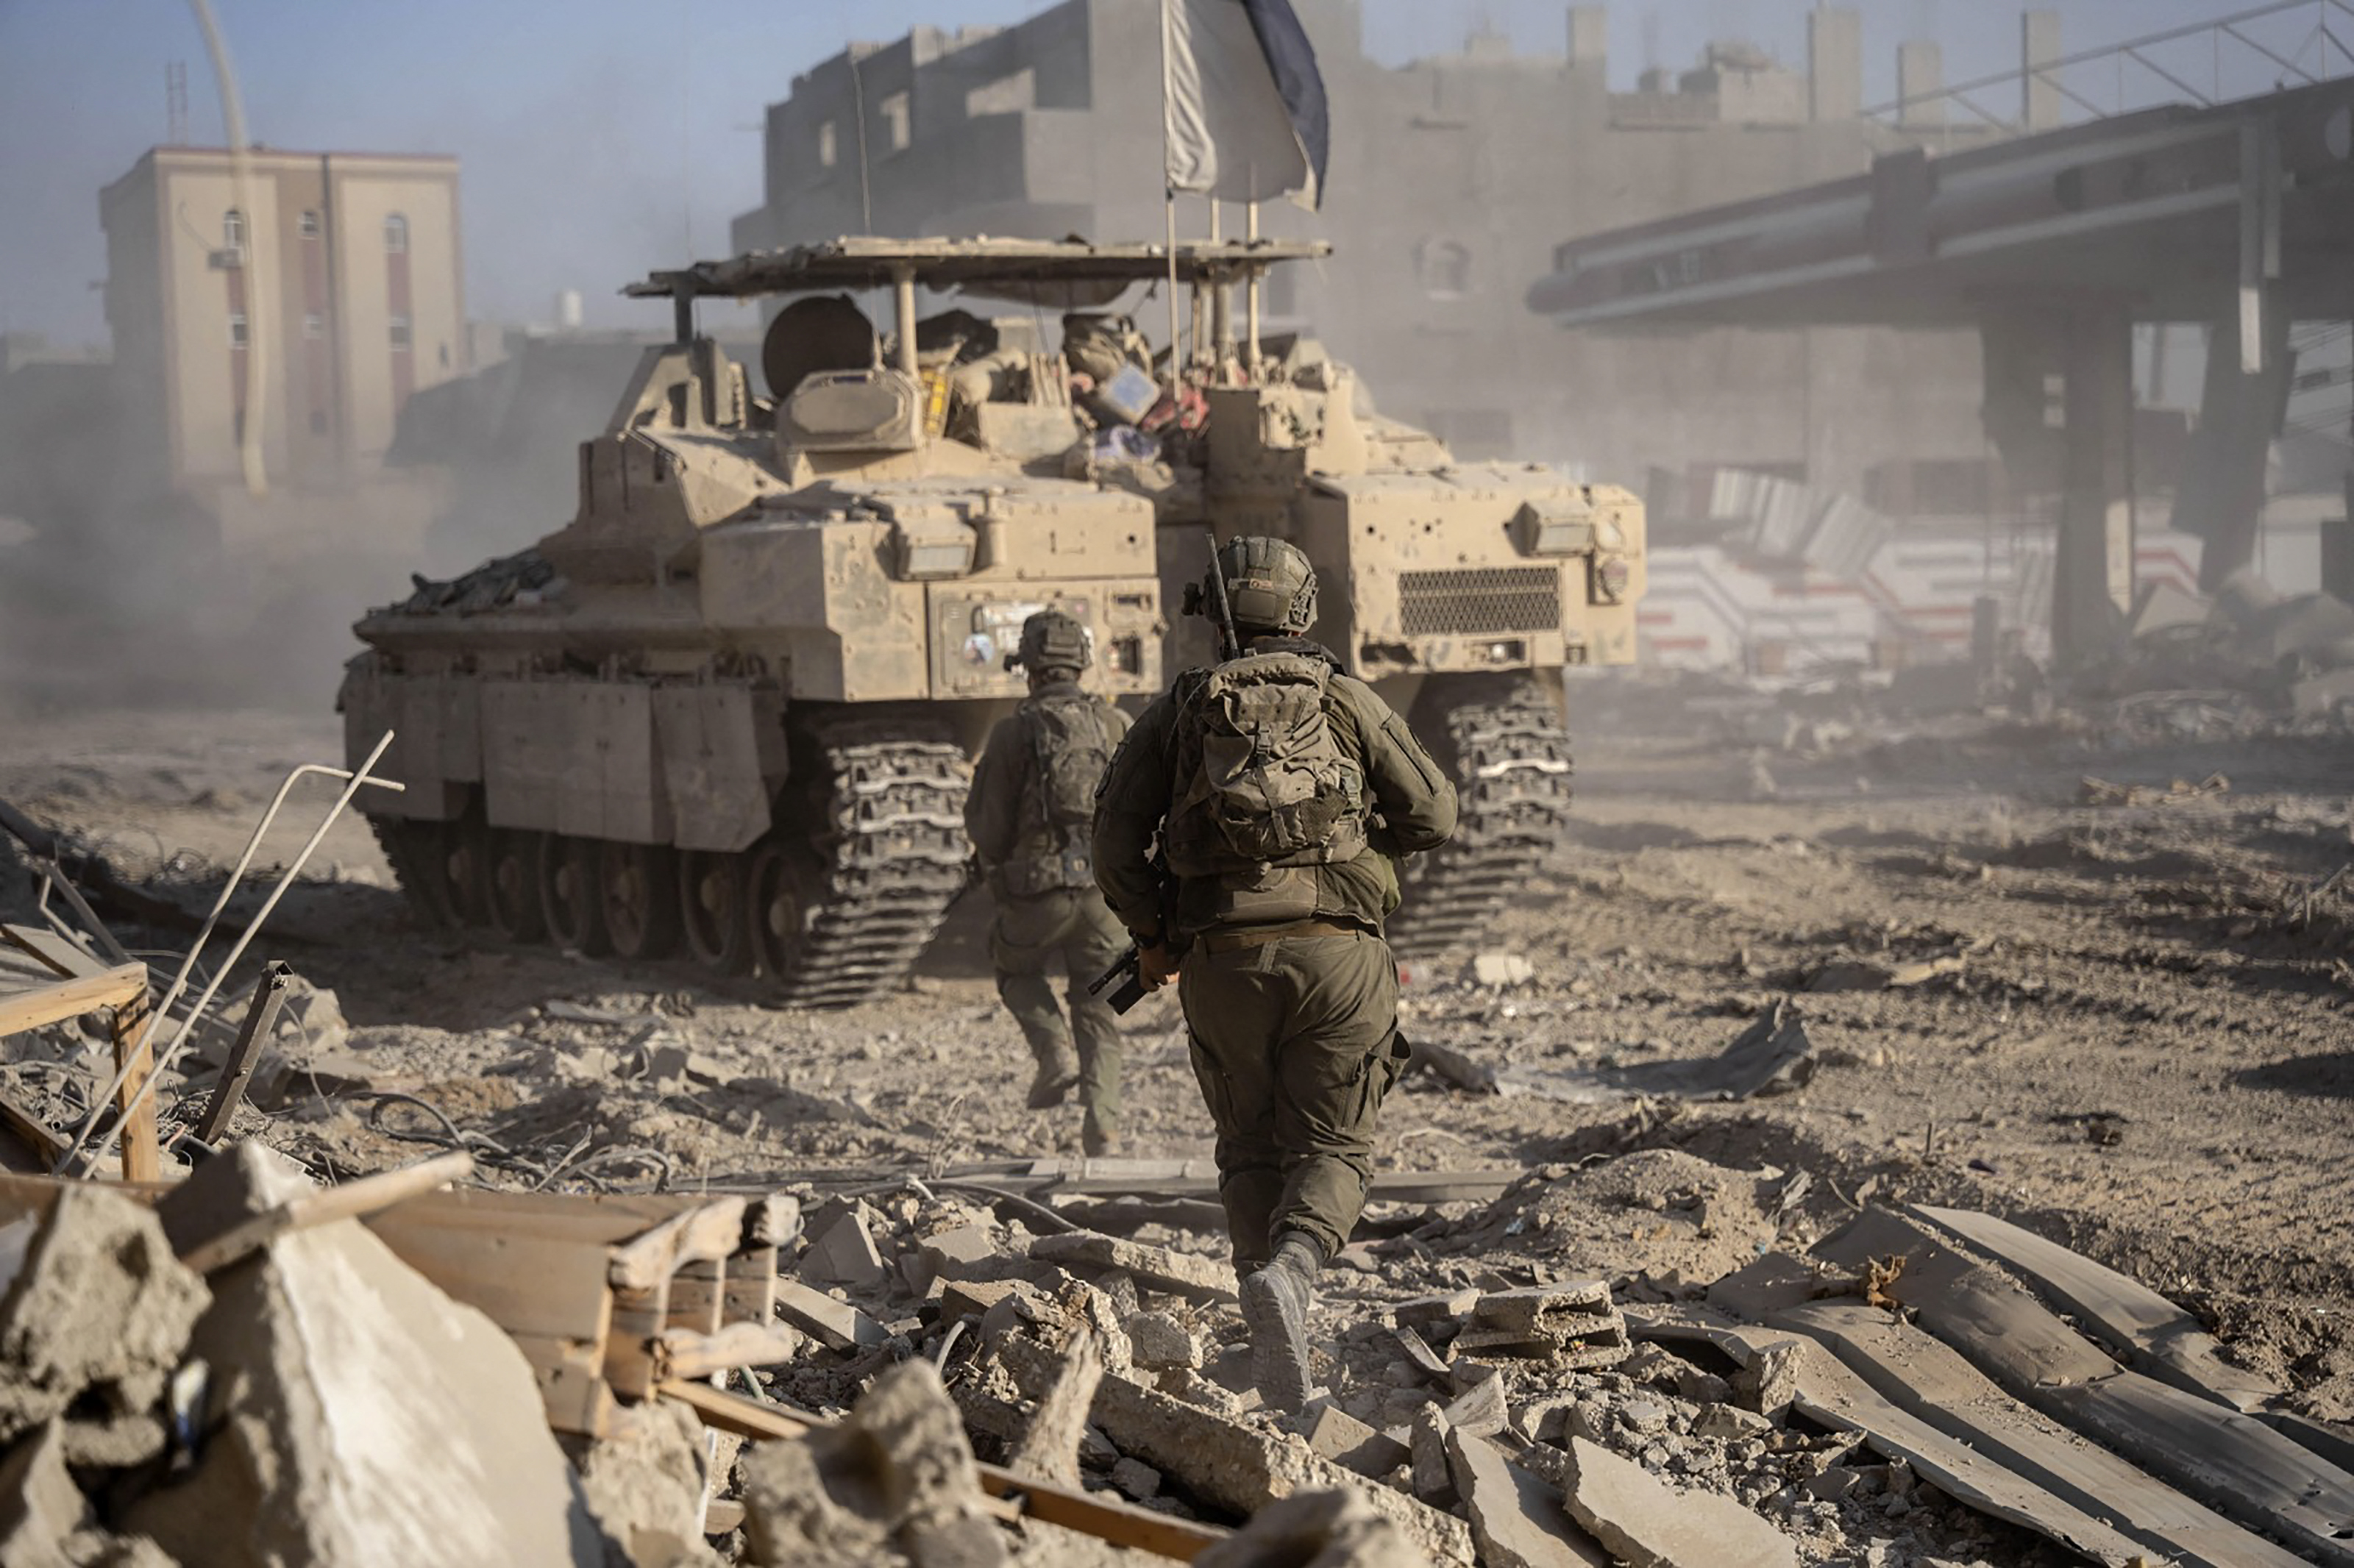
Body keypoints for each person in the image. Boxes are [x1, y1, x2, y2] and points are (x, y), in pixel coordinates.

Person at [1091, 536, 1457, 1409]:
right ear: (1301, 612)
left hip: (1220, 964)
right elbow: (1435, 813)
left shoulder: (1181, 710)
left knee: (1249, 1145)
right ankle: (1292, 1274)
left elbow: (1110, 839)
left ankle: (1264, 1297)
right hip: (1341, 960)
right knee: (1332, 1145)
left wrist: (1152, 932)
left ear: (1217, 618)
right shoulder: (1345, 699)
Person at [965, 610, 1134, 1156]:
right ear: (1081, 664)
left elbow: (987, 829)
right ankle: (1103, 1127)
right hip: (1108, 899)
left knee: (1012, 966)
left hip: (1037, 897)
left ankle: (1053, 1053)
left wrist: (997, 866)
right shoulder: (1117, 725)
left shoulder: (1012, 733)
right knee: (1104, 1006)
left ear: (1030, 668)